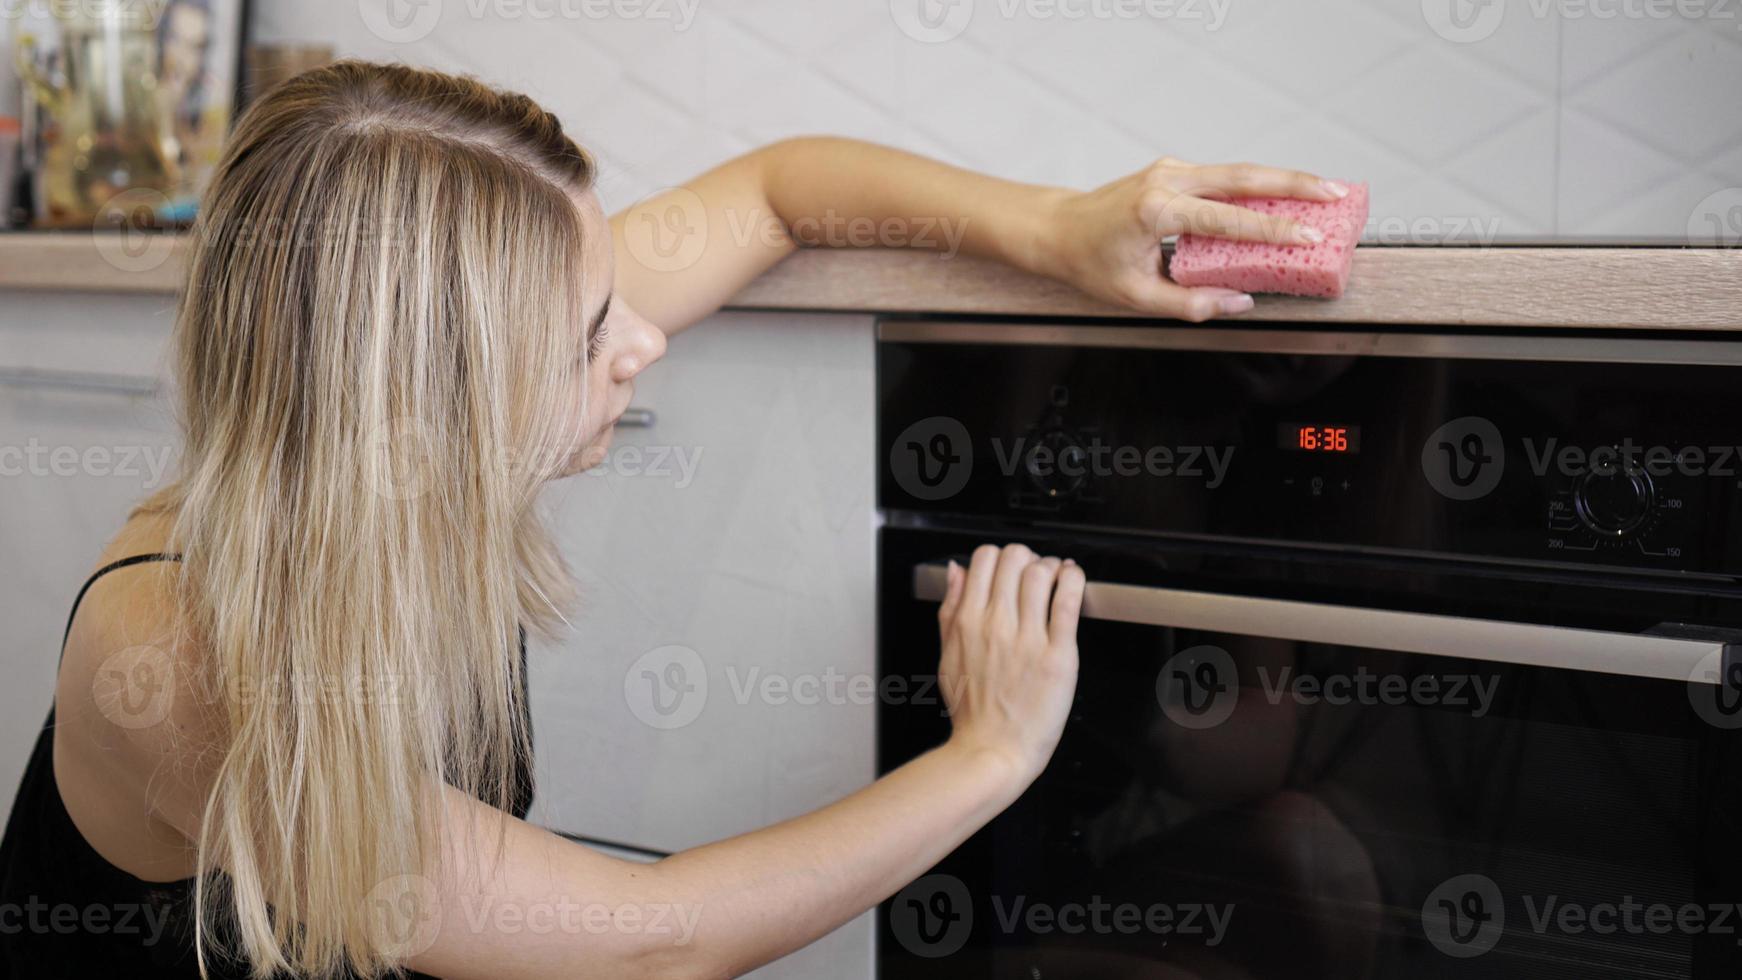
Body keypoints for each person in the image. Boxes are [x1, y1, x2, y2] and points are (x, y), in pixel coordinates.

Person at [0, 60, 1349, 978]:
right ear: (431, 389)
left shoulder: (373, 431)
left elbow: (776, 188)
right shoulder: (185, 661)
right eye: (593, 332)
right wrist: (990, 754)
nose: (643, 337)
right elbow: (652, 945)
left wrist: (1056, 229)